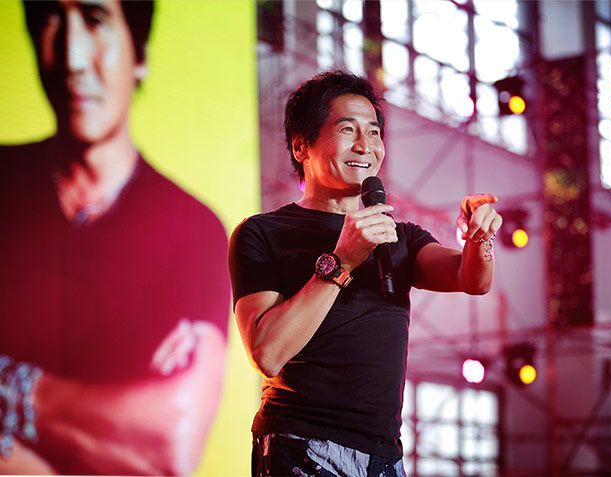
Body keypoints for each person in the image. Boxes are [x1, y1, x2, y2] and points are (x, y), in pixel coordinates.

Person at [229, 71, 502, 476]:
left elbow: (472, 279)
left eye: (374, 132)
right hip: (301, 442)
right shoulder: (262, 233)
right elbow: (267, 353)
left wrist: (479, 238)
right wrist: (342, 261)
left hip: (383, 452)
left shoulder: (399, 236)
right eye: (347, 130)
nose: (365, 145)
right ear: (301, 146)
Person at [0, 0, 230, 474]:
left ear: (139, 54)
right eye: (49, 21)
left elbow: (170, 446)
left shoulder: (194, 229)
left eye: (95, 20)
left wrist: (13, 389)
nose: (73, 58)